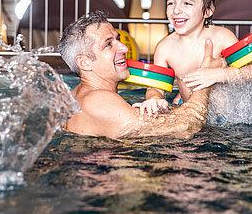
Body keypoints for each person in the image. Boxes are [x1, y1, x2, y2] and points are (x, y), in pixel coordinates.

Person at [58, 10, 221, 139]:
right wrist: (205, 79)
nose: (124, 48)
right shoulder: (98, 101)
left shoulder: (75, 94)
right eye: (108, 44)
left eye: (117, 39)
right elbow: (185, 127)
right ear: (84, 62)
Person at [141, 0, 252, 115]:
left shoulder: (221, 37)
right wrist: (154, 98)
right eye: (171, 3)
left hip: (226, 119)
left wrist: (218, 74)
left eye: (186, 3)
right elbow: (156, 86)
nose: (176, 10)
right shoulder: (165, 48)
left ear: (207, 11)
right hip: (192, 114)